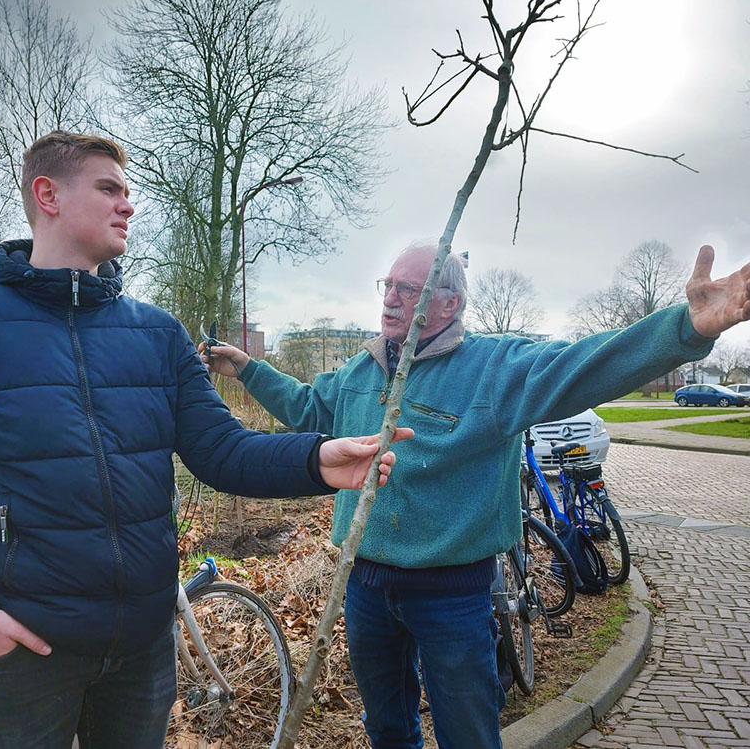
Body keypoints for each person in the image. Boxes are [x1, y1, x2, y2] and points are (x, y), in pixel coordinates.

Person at [0, 131, 412, 749]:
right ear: (48, 195)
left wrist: (316, 459)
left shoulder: (157, 334)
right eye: (108, 189)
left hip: (144, 651)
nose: (128, 205)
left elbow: (221, 450)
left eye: (128, 192)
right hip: (25, 652)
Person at [201, 242, 750, 749]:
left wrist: (686, 328)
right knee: (386, 725)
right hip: (364, 582)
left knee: (468, 732)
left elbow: (585, 365)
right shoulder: (362, 369)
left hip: (452, 594)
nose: (390, 300)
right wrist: (247, 368)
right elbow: (306, 408)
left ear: (449, 303)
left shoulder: (494, 368)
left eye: (407, 290)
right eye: (386, 286)